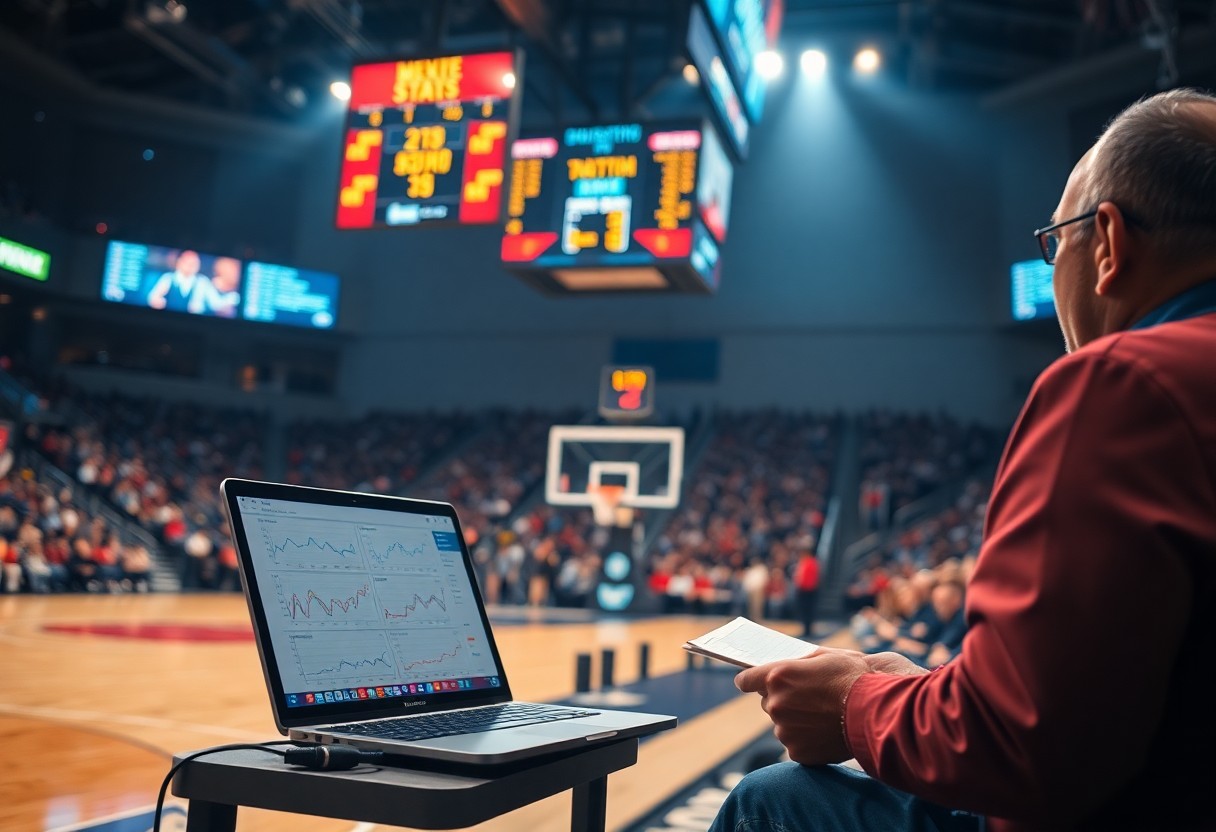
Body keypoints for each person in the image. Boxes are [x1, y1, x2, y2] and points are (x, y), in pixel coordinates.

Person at [710, 88, 1216, 832]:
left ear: (1108, 241)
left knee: (772, 800)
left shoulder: (1124, 381)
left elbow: (1023, 749)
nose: (1056, 265)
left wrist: (854, 706)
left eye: (1056, 240)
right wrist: (942, 691)